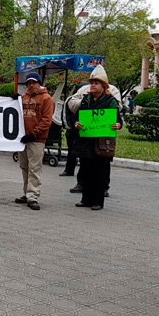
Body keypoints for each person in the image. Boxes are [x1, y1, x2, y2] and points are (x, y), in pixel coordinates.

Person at [69, 66, 122, 210]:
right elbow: (76, 117)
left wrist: (117, 125)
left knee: (98, 172)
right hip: (85, 141)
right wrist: (76, 123)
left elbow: (117, 119)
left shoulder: (110, 101)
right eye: (91, 83)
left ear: (103, 86)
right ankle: (85, 199)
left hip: (101, 142)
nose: (92, 85)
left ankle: (97, 201)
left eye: (96, 83)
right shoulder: (86, 100)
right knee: (85, 170)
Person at [12, 73, 54, 211]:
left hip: (36, 139)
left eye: (33, 82)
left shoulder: (46, 98)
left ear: (39, 83)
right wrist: (14, 100)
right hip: (23, 138)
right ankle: (26, 193)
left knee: (34, 168)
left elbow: (46, 120)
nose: (31, 85)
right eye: (28, 83)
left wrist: (34, 134)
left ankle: (33, 196)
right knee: (24, 167)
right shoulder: (23, 98)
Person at [60, 92, 79, 178]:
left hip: (83, 130)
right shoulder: (71, 100)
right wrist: (68, 127)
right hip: (72, 129)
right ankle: (69, 170)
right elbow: (65, 114)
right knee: (71, 151)